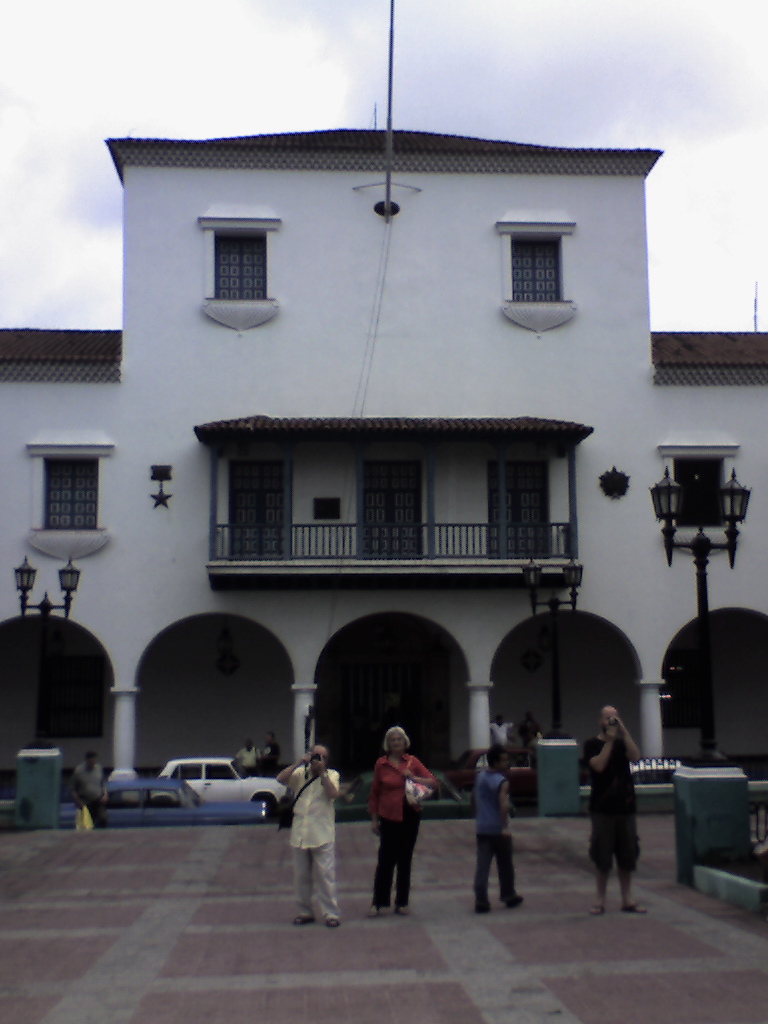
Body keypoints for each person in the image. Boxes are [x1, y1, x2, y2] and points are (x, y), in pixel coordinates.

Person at [583, 705, 646, 915]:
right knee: (602, 853)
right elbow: (598, 766)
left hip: (625, 806)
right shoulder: (592, 744)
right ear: (599, 720)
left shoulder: (622, 744)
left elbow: (636, 757)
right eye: (608, 718)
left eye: (615, 717)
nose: (611, 721)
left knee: (627, 853)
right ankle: (599, 899)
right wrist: (609, 741)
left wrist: (624, 733)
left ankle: (627, 898)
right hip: (602, 807)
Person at [368, 725, 436, 917]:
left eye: (399, 739)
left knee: (405, 858)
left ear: (405, 742)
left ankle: (402, 902)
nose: (396, 743)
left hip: (409, 813)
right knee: (385, 859)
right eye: (393, 740)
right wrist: (374, 819)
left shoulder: (412, 761)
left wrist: (413, 777)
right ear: (387, 744)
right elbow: (374, 793)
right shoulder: (381, 764)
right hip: (388, 815)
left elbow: (433, 782)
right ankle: (378, 902)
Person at [276, 744, 341, 927]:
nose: (317, 760)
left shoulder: (332, 775)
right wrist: (299, 762)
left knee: (325, 875)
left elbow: (332, 794)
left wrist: (322, 774)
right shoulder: (300, 774)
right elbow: (280, 779)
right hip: (300, 833)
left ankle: (331, 913)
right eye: (315, 756)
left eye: (322, 757)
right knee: (301, 876)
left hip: (322, 834)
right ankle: (305, 911)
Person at [472, 744, 524, 913]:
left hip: (482, 827)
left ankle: (481, 899)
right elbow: (504, 805)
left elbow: (474, 799)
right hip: (497, 828)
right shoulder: (501, 781)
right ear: (495, 762)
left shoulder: (480, 777)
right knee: (505, 864)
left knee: (483, 865)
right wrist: (505, 827)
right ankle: (508, 894)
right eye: (504, 760)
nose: (507, 763)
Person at [70, 750, 108, 828]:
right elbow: (73, 789)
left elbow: (102, 783)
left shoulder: (98, 768)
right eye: (91, 762)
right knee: (88, 824)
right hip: (85, 802)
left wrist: (105, 794)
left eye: (94, 761)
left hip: (98, 800)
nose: (93, 763)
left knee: (103, 819)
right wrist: (79, 802)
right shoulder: (79, 771)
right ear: (87, 760)